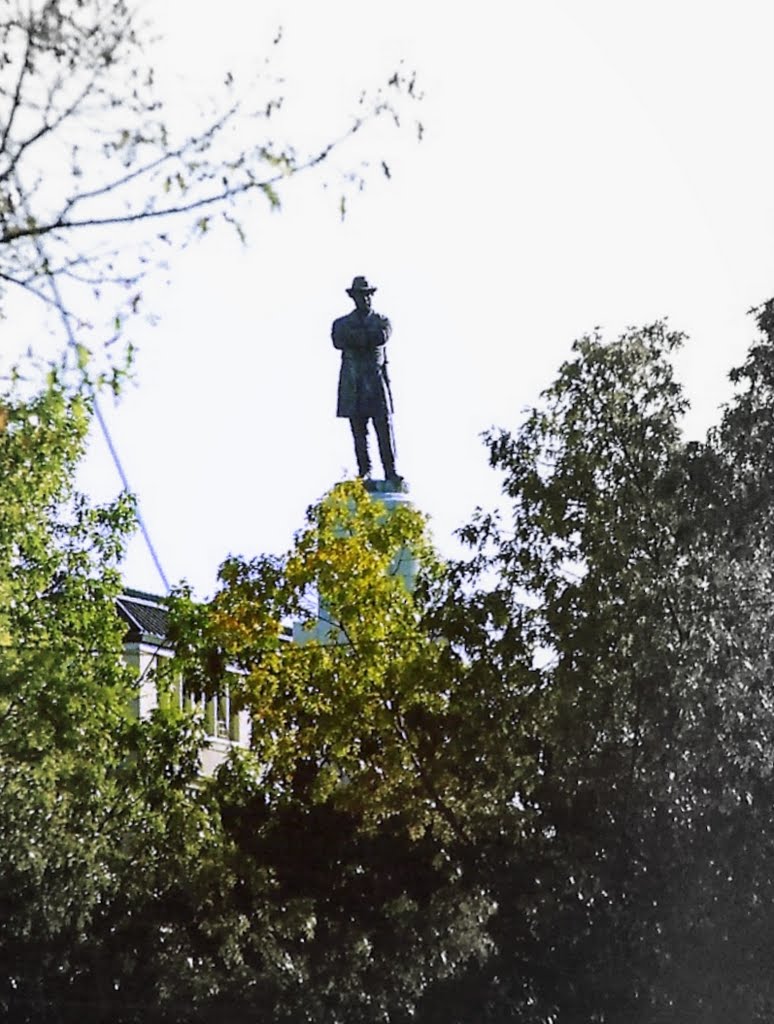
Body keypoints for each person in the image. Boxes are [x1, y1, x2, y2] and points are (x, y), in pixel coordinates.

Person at [331, 276, 401, 481]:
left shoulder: (381, 321)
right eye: (361, 295)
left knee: (383, 427)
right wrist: (363, 339)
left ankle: (390, 471)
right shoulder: (341, 323)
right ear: (354, 298)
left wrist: (356, 339)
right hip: (354, 382)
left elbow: (379, 337)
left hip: (376, 381)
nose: (365, 299)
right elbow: (338, 340)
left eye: (368, 295)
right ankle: (364, 470)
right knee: (359, 431)